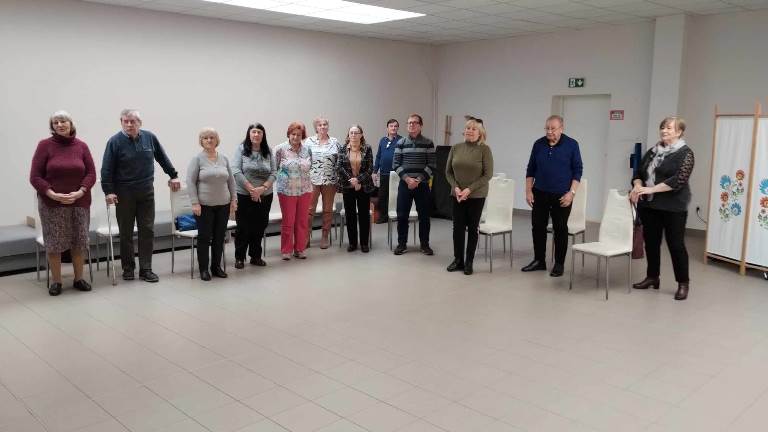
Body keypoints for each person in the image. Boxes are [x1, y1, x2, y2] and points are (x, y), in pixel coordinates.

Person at [101, 109, 180, 282]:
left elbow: (162, 157)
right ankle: (128, 268)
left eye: (133, 121)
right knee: (126, 233)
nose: (129, 124)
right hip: (124, 193)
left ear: (140, 123)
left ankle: (146, 269)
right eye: (126, 121)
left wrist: (173, 175)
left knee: (147, 230)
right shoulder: (114, 142)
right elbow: (106, 169)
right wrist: (108, 191)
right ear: (121, 122)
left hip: (146, 191)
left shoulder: (149, 137)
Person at [29, 111, 96, 296]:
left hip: (79, 202)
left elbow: (91, 174)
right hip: (52, 204)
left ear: (71, 123)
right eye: (55, 122)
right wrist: (52, 193)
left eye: (63, 121)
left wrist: (81, 191)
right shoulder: (44, 146)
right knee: (54, 243)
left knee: (79, 241)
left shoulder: (81, 146)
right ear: (52, 126)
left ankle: (79, 279)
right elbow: (35, 177)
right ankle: (56, 281)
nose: (59, 124)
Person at [630, 116, 695, 300]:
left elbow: (678, 180)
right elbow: (639, 173)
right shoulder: (653, 151)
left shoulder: (686, 153)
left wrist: (650, 189)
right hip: (650, 205)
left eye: (668, 128)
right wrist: (637, 186)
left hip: (674, 207)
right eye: (662, 127)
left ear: (679, 132)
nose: (664, 131)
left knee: (676, 245)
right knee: (651, 243)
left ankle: (683, 283)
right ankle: (652, 277)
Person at [522, 115, 583, 277]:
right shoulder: (538, 144)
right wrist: (528, 191)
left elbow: (578, 170)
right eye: (547, 128)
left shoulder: (572, 145)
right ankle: (539, 261)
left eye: (553, 129)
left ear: (561, 128)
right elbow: (530, 169)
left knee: (560, 228)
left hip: (562, 195)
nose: (549, 131)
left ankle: (559, 264)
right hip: (539, 193)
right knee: (538, 226)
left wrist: (571, 193)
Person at [445, 116, 494, 276]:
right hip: (457, 194)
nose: (470, 131)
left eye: (474, 129)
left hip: (476, 195)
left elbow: (487, 174)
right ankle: (458, 260)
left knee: (473, 228)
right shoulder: (456, 148)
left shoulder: (484, 150)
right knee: (457, 228)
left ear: (480, 133)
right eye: (468, 128)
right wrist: (456, 187)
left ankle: (469, 262)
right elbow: (448, 172)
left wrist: (469, 190)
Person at [187, 128, 236, 281]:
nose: (209, 140)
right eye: (205, 138)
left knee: (219, 237)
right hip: (204, 206)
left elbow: (231, 181)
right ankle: (203, 269)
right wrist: (195, 203)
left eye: (212, 137)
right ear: (201, 141)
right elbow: (190, 182)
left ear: (217, 140)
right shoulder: (197, 159)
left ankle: (216, 267)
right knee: (204, 237)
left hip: (224, 204)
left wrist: (234, 200)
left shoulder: (224, 158)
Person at [232, 123, 275, 269]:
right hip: (244, 194)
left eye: (259, 132)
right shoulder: (241, 149)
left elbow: (274, 172)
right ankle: (239, 257)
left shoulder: (268, 150)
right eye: (254, 132)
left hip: (265, 195)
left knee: (259, 226)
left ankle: (255, 256)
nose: (256, 135)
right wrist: (252, 190)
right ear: (249, 134)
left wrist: (262, 189)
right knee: (243, 227)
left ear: (263, 135)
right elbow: (236, 170)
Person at [392, 114, 436, 256]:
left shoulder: (428, 143)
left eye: (415, 122)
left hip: (422, 185)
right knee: (402, 215)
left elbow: (432, 165)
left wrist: (417, 180)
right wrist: (407, 179)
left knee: (424, 216)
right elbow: (396, 164)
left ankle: (425, 244)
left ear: (421, 125)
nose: (411, 125)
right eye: (409, 123)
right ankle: (402, 244)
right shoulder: (401, 143)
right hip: (405, 185)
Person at [275, 122, 313, 260]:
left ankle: (300, 249)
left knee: (302, 221)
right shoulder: (280, 149)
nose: (296, 137)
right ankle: (286, 250)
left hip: (305, 189)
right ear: (289, 134)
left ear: (302, 136)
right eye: (293, 134)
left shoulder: (307, 149)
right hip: (287, 191)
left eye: (299, 135)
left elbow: (310, 166)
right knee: (288, 221)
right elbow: (274, 168)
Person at [338, 125, 375, 253]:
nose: (353, 135)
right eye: (351, 133)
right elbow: (339, 167)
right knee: (350, 215)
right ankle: (352, 243)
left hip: (363, 186)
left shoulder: (367, 148)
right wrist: (352, 180)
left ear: (361, 135)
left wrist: (358, 180)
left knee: (364, 215)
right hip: (348, 186)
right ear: (348, 135)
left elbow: (370, 168)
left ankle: (364, 243)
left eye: (356, 132)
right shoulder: (342, 148)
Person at [305, 117, 339, 249]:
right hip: (312, 180)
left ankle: (325, 236)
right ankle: (306, 237)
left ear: (328, 126)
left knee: (327, 209)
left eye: (325, 124)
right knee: (309, 209)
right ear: (316, 127)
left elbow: (339, 161)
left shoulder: (334, 142)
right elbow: (304, 159)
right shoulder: (309, 141)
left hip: (330, 180)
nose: (323, 127)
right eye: (320, 125)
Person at [373, 119, 401, 224]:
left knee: (396, 195)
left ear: (397, 128)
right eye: (391, 126)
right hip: (384, 173)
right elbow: (378, 156)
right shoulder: (383, 140)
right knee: (382, 196)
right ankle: (383, 216)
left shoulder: (401, 140)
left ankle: (397, 215)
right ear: (387, 128)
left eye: (395, 126)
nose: (393, 128)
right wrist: (375, 171)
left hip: (396, 174)